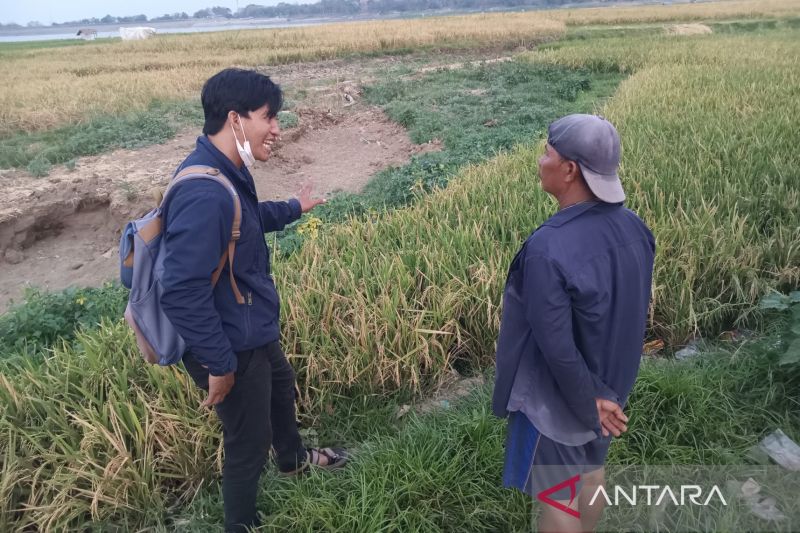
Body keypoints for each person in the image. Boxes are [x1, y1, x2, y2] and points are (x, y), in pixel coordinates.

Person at [159, 68, 347, 532]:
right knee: (247, 440)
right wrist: (220, 364)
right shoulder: (205, 192)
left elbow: (242, 219)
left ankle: (293, 460)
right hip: (228, 343)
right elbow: (180, 290)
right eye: (270, 117)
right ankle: (241, 524)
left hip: (247, 325)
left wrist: (292, 209)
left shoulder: (226, 170)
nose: (278, 129)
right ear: (235, 120)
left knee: (281, 387)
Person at [492, 114, 655, 533]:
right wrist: (603, 398)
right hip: (612, 391)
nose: (540, 160)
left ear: (569, 170)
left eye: (547, 152)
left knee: (556, 499)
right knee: (591, 473)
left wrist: (586, 400)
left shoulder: (549, 248)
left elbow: (556, 347)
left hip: (561, 400)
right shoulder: (635, 228)